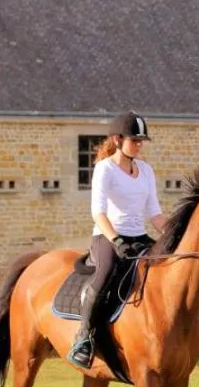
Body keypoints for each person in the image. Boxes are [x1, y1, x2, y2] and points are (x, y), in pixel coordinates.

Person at [69, 111, 168, 367]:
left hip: (139, 237)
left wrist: (175, 236)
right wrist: (115, 239)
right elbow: (98, 212)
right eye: (134, 140)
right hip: (108, 236)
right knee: (105, 275)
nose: (139, 145)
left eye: (141, 141)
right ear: (117, 140)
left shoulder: (146, 170)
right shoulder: (105, 169)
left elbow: (155, 213)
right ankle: (83, 338)